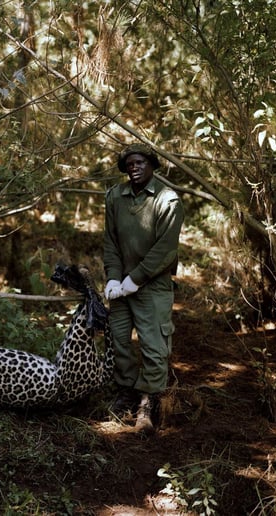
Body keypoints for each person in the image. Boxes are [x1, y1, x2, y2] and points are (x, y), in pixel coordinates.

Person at [103, 143, 184, 434]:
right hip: (121, 286)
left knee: (154, 345)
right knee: (119, 339)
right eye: (129, 164)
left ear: (152, 165)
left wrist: (135, 279)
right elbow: (110, 241)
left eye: (140, 162)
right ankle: (126, 391)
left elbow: (165, 250)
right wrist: (113, 277)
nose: (134, 167)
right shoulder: (115, 197)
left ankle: (148, 402)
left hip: (153, 285)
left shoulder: (167, 200)